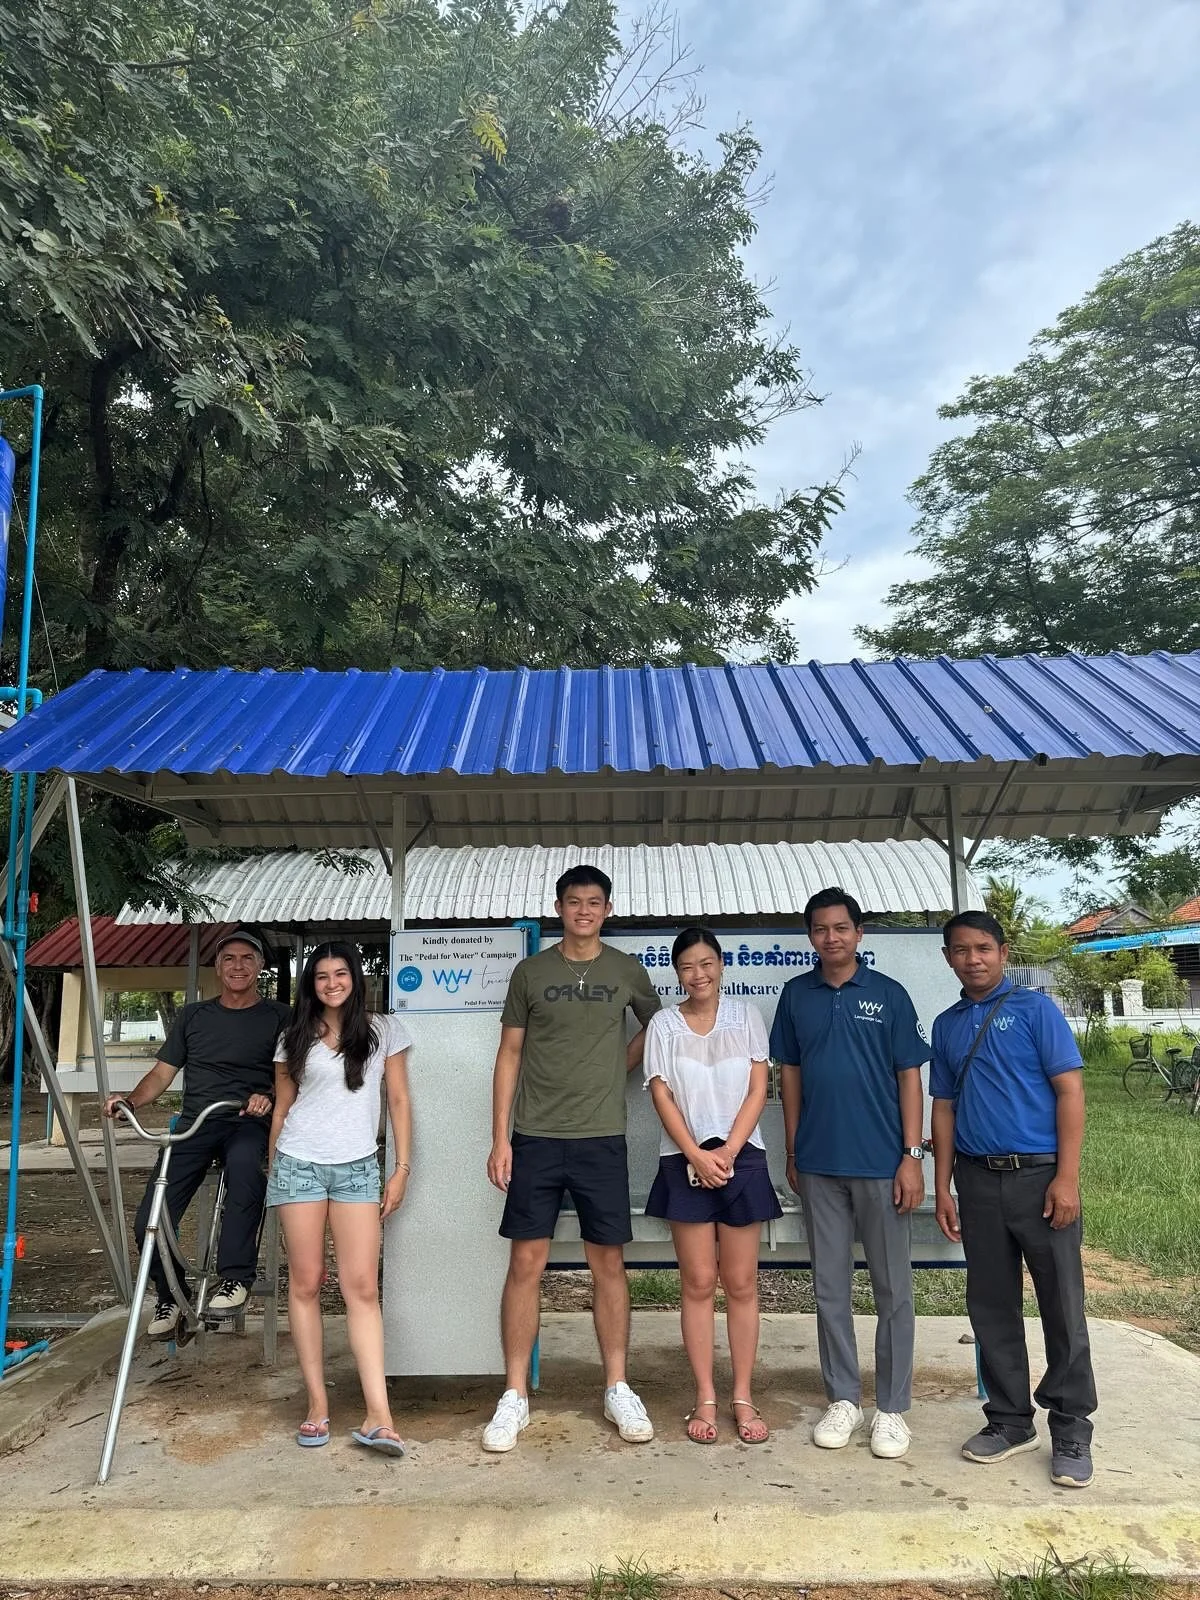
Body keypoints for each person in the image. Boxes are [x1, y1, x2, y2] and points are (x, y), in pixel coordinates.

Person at [482, 864, 662, 1452]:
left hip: (602, 1137)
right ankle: (514, 1396)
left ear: (608, 909)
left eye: (594, 902)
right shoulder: (530, 972)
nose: (584, 911)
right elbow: (509, 1054)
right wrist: (500, 1137)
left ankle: (616, 1385)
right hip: (535, 1136)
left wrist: (618, 1066)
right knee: (525, 1265)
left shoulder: (625, 970)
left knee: (606, 1264)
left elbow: (658, 1030)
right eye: (573, 902)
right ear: (558, 908)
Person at [931, 911, 1097, 1489]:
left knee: (1061, 1303)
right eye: (960, 950)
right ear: (948, 957)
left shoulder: (1035, 1011)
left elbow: (1069, 1091)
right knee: (992, 1305)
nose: (972, 959)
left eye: (983, 948)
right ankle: (1008, 1419)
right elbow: (944, 1107)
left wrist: (1067, 1177)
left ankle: (1071, 1426)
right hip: (977, 1182)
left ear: (1002, 952)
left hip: (1041, 1178)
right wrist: (943, 1185)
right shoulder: (947, 1024)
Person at [770, 887, 929, 1460]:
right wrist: (791, 1150)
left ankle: (891, 1408)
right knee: (829, 1289)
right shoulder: (796, 996)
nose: (831, 938)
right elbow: (789, 1076)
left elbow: (911, 1076)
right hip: (817, 1165)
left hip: (883, 1166)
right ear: (810, 937)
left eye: (841, 928)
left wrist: (912, 1157)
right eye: (820, 929)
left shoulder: (889, 995)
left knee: (893, 1291)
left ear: (859, 934)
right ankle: (843, 1398)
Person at [105, 929, 290, 1338]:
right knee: (150, 1216)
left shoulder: (280, 1016)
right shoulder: (193, 1016)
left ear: (260, 967)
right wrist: (130, 1102)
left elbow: (293, 1076)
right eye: (229, 959)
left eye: (247, 958)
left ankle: (234, 1278)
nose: (238, 966)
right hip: (195, 1125)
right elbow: (161, 1074)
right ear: (218, 967)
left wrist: (270, 1097)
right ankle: (171, 1296)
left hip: (247, 1122)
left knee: (245, 1169)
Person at [268, 941, 413, 1454]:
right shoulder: (294, 1037)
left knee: (362, 1289)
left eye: (340, 973)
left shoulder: (383, 1030)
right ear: (311, 984)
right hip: (298, 1166)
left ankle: (380, 1415)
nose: (332, 983)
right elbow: (284, 1109)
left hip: (358, 1169)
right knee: (306, 1283)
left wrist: (399, 1169)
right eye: (322, 976)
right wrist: (274, 1172)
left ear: (355, 977)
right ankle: (317, 1405)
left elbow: (397, 1100)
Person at [642, 927, 782, 1444]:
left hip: (742, 1158)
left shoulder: (746, 1017)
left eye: (706, 963)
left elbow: (757, 1087)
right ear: (676, 971)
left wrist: (725, 1152)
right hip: (683, 1160)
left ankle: (742, 1396)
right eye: (686, 966)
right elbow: (661, 1095)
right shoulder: (663, 1024)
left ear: (721, 964)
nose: (697, 974)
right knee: (698, 1283)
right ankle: (704, 1396)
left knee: (742, 1284)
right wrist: (697, 1154)